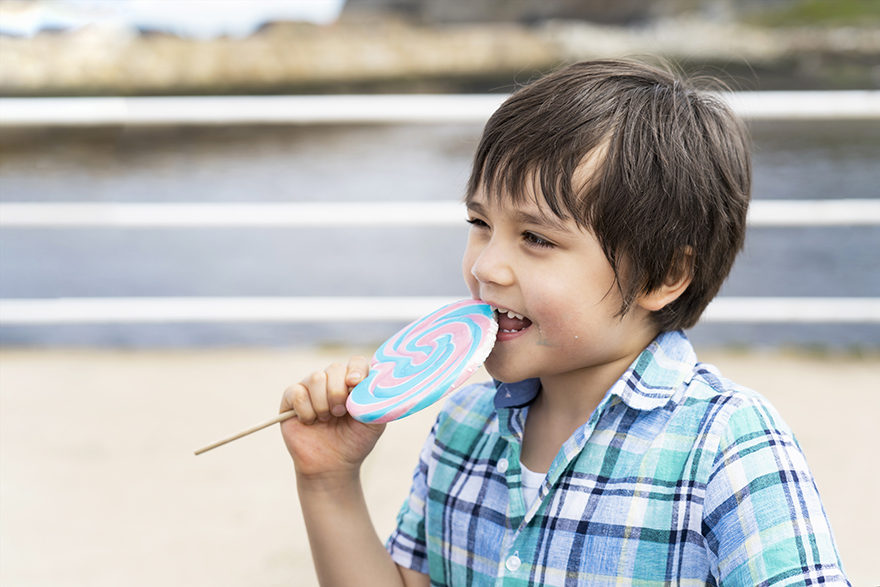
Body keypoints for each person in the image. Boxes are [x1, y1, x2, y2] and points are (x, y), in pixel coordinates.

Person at [279, 59, 849, 585]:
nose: (485, 266)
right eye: (480, 222)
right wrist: (328, 482)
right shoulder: (461, 426)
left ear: (662, 275)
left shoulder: (727, 444)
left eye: (536, 237)